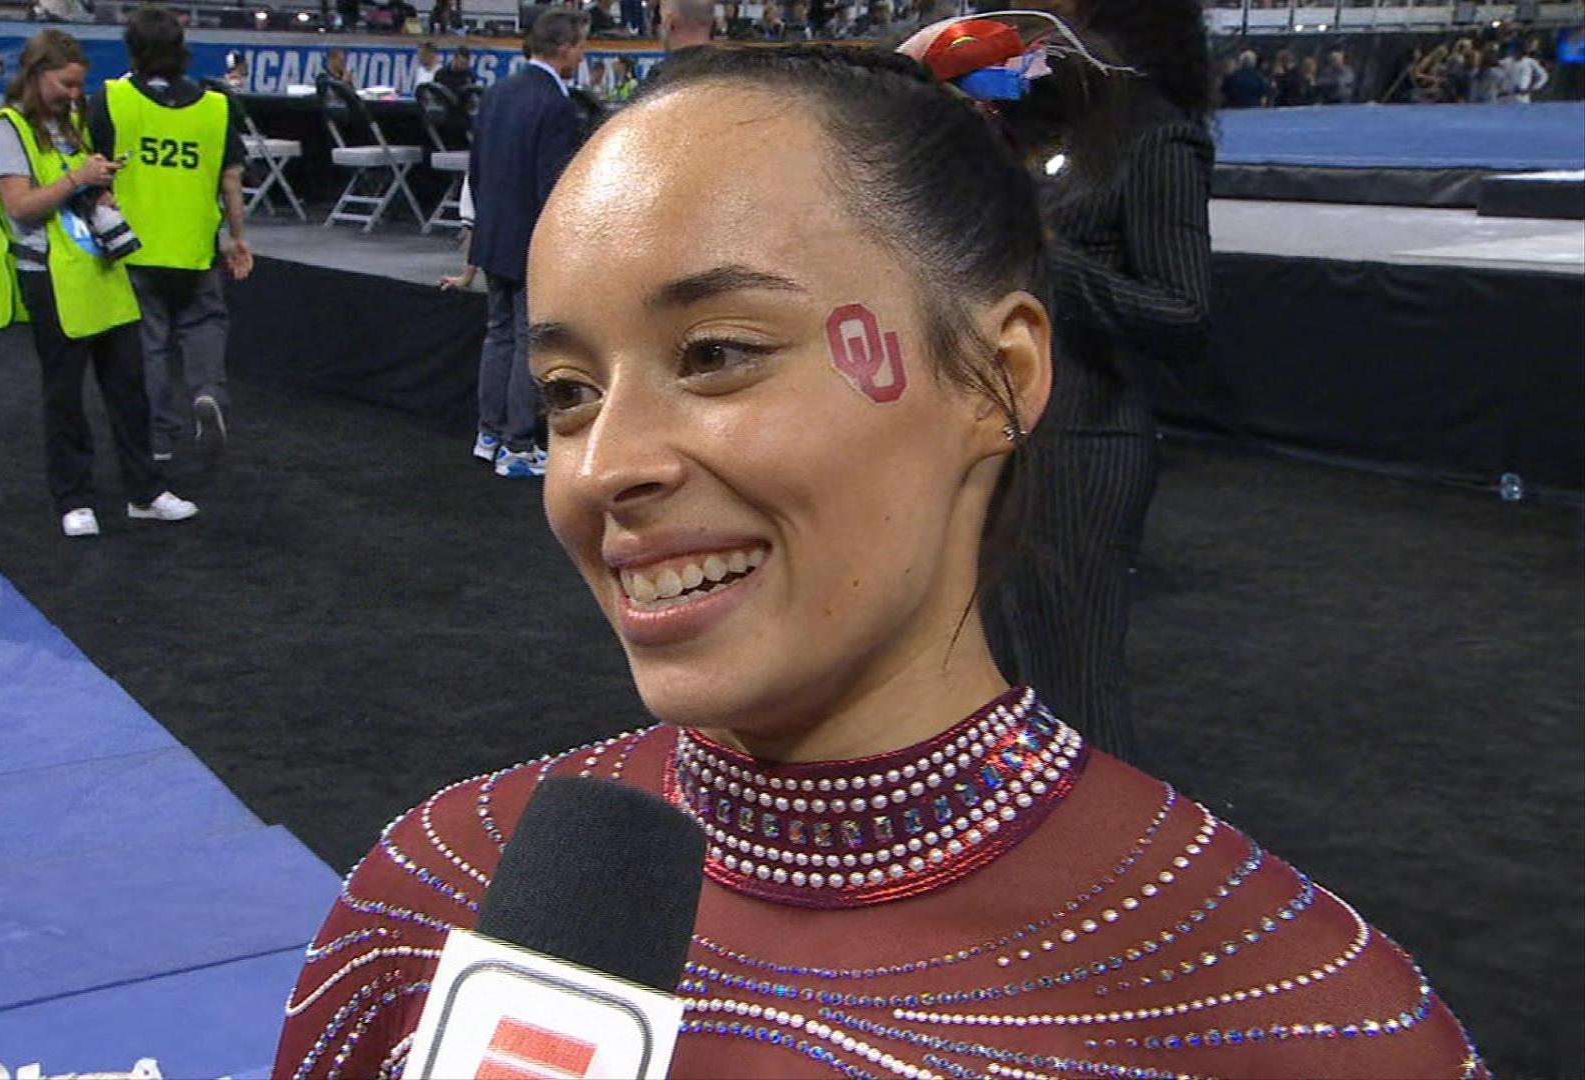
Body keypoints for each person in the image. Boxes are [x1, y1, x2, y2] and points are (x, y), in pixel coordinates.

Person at [269, 42, 1486, 1079]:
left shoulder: (1293, 1016)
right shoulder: (432, 898)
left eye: (718, 353)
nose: (602, 469)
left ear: (996, 379)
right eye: (569, 391)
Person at [977, 0, 1213, 762]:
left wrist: (1048, 259)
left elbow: (1183, 314)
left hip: (1084, 447)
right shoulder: (1044, 123)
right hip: (1005, 441)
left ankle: (1102, 836)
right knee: (1003, 681)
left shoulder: (1156, 138)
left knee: (1074, 686)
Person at [0, 29, 198, 537]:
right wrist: (78, 180)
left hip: (102, 269)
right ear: (38, 75)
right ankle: (73, 499)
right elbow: (20, 207)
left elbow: (77, 186)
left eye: (80, 85)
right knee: (64, 395)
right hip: (51, 276)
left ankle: (146, 492)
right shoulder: (7, 128)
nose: (76, 94)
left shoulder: (73, 122)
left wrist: (101, 194)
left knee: (129, 388)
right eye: (67, 84)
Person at [87, 4, 253, 463]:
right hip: (196, 246)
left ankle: (159, 437)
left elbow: (90, 169)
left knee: (150, 345)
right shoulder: (217, 107)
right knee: (205, 323)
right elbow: (231, 181)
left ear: (132, 49)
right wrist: (237, 238)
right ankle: (207, 389)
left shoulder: (111, 100)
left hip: (133, 248)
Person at [464, 8, 587, 478]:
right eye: (581, 47)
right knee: (523, 341)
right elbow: (551, 187)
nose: (583, 56)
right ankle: (517, 448)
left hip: (493, 235)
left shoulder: (497, 92)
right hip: (527, 240)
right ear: (564, 48)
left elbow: (475, 170)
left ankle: (488, 435)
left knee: (497, 334)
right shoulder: (555, 105)